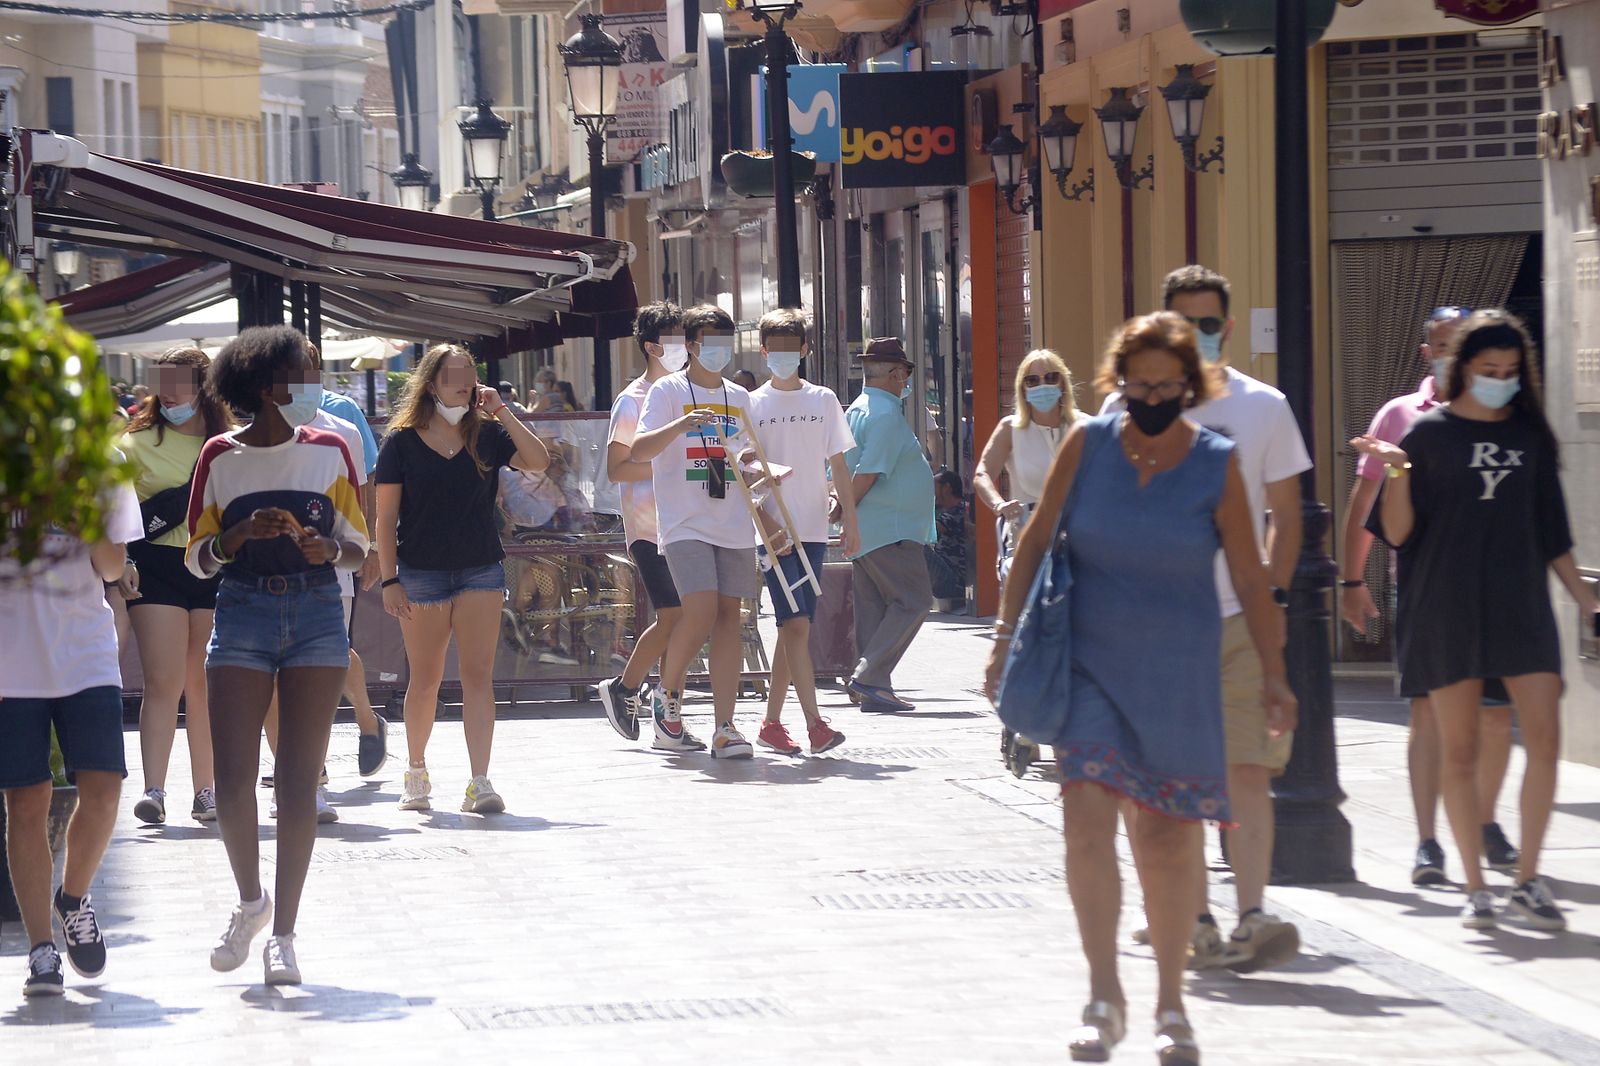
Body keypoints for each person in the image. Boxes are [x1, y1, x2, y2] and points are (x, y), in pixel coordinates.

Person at [985, 312, 1295, 1065]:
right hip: (1089, 665)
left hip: (1179, 673)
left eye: (1167, 385)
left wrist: (1275, 676)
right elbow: (1034, 541)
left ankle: (1170, 1003)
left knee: (1165, 835)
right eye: (1138, 384)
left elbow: (1251, 576)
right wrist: (1001, 638)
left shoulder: (1215, 462)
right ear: (1116, 384)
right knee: (1086, 820)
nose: (1152, 397)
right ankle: (1103, 995)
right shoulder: (1086, 446)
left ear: (1190, 387)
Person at [1354, 309, 1596, 933]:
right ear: (1462, 367)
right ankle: (1474, 885)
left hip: (1522, 608)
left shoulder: (1531, 435)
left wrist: (1589, 601)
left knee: (1541, 740)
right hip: (1447, 607)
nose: (1499, 380)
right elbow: (1400, 533)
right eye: (1488, 370)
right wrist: (1399, 471)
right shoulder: (1427, 436)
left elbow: (1554, 534)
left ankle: (1529, 879)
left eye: (1511, 371)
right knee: (1457, 749)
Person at [1102, 265, 1310, 972]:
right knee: (1167, 780)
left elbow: (1285, 515)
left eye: (1213, 324)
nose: (1203, 336)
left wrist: (1273, 603)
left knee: (1247, 771)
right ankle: (1188, 914)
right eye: (1188, 325)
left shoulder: (1263, 407)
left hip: (1238, 620)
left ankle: (1251, 912)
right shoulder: (1123, 413)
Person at [185, 324, 370, 986]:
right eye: (307, 370)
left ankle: (284, 935)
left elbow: (360, 546)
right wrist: (232, 535)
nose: (316, 381)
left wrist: (330, 550)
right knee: (234, 779)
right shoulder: (220, 456)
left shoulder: (331, 448)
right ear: (269, 387)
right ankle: (249, 902)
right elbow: (196, 557)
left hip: (318, 611)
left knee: (299, 780)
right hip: (242, 611)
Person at [1340, 306, 1518, 886]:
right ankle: (1426, 841)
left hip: (1492, 585)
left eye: (1457, 346)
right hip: (1419, 580)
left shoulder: (1499, 412)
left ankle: (1486, 823)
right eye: (1440, 345)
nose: (1449, 355)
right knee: (1428, 716)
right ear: (1426, 352)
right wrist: (1351, 580)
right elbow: (1363, 505)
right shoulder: (1400, 415)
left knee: (1494, 720)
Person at [375, 345, 550, 813]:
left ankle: (480, 782)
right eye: (453, 375)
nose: (463, 384)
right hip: (420, 573)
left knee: (478, 676)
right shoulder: (401, 442)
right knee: (426, 680)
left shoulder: (488, 434)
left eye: (469, 376)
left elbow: (538, 461)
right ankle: (415, 770)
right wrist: (389, 579)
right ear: (430, 384)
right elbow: (385, 518)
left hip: (480, 568)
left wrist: (503, 410)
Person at [2, 470, 143, 996]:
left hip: (85, 652)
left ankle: (73, 897)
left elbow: (111, 566)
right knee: (27, 799)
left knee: (104, 789)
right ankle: (41, 951)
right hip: (11, 657)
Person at [631, 304, 770, 759]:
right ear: (689, 345)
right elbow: (639, 449)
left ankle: (725, 726)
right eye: (709, 344)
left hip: (731, 520)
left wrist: (758, 472)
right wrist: (682, 425)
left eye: (725, 344)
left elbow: (743, 456)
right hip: (684, 522)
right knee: (701, 609)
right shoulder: (667, 391)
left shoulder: (739, 396)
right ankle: (666, 697)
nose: (719, 353)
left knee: (731, 615)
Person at [121, 347, 231, 826]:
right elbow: (115, 512)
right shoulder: (133, 443)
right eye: (163, 379)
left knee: (202, 684)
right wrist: (122, 558)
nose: (170, 389)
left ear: (203, 386)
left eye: (181, 380)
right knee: (163, 681)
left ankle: (207, 791)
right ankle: (155, 789)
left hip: (210, 563)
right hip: (155, 565)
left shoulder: (227, 442)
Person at [747, 307, 860, 755]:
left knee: (794, 627)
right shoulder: (751, 403)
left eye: (790, 349)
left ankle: (772, 723)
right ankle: (814, 723)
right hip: (773, 532)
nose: (782, 357)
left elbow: (839, 465)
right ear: (763, 351)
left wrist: (850, 521)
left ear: (805, 351)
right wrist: (764, 493)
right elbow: (742, 464)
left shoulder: (823, 400)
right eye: (775, 350)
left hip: (813, 528)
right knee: (795, 623)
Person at [596, 302, 693, 743]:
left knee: (689, 619)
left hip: (689, 523)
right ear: (653, 347)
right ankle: (627, 688)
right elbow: (618, 468)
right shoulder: (632, 400)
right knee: (674, 614)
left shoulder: (688, 394)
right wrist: (667, 466)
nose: (687, 347)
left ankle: (666, 712)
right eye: (677, 339)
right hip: (649, 527)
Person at [843, 337, 935, 713]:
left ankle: (872, 686)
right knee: (913, 601)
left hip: (870, 529)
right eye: (906, 374)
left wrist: (845, 511)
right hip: (890, 529)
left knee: (874, 608)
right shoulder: (883, 414)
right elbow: (868, 472)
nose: (906, 382)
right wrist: (845, 509)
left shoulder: (858, 410)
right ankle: (868, 676)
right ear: (897, 374)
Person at [973, 349, 1082, 580]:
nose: (1042, 386)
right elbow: (982, 474)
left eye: (1050, 378)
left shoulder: (1085, 427)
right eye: (1032, 380)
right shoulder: (1011, 429)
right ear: (1023, 388)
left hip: (1077, 533)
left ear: (1062, 381)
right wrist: (999, 505)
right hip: (1026, 533)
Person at [926, 469, 968, 604]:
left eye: (933, 486)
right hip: (947, 576)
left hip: (953, 580)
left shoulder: (958, 511)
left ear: (946, 488)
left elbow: (926, 534)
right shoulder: (950, 511)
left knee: (915, 548)